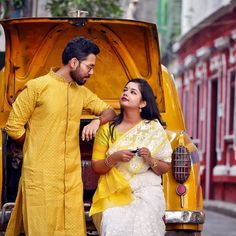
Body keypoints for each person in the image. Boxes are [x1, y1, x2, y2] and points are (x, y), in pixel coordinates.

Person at [5, 36, 116, 236]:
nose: (92, 72)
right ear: (74, 62)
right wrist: (35, 145)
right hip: (41, 177)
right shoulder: (37, 87)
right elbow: (13, 127)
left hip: (71, 179)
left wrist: (97, 121)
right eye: (89, 67)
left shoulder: (81, 92)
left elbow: (110, 111)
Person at [89, 78, 173, 236]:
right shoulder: (107, 130)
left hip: (147, 192)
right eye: (125, 90)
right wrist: (114, 158)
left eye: (133, 92)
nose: (126, 93)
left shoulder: (153, 128)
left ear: (143, 103)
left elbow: (165, 167)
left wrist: (150, 159)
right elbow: (96, 166)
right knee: (113, 220)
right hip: (114, 191)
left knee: (145, 221)